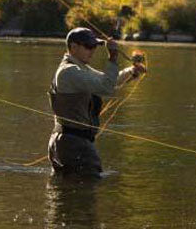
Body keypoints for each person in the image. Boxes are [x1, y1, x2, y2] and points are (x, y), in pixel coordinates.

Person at [47, 27, 146, 178]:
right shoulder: (69, 71)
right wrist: (112, 58)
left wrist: (132, 71)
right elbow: (106, 87)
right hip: (74, 144)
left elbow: (108, 81)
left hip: (67, 142)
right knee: (88, 188)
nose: (92, 50)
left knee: (68, 189)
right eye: (88, 46)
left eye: (94, 46)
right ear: (73, 47)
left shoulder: (80, 68)